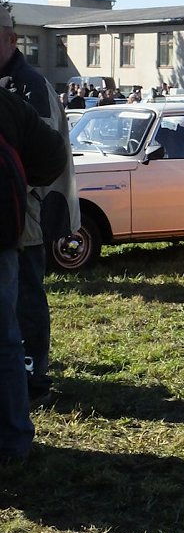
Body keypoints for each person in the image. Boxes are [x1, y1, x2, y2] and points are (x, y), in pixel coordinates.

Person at [0, 6, 79, 406]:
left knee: (26, 295)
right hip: (13, 208)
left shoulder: (27, 84)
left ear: (11, 40)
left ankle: (33, 373)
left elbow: (45, 156)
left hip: (28, 208)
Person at [0, 85, 67, 464]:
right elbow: (52, 152)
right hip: (3, 236)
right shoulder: (5, 100)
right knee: (5, 343)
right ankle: (12, 441)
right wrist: (24, 184)